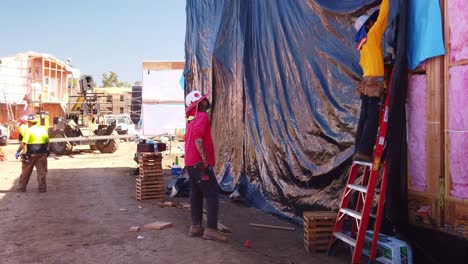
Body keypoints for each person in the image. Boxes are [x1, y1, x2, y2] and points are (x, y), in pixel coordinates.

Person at [184, 90, 226, 242]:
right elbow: (198, 140)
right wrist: (205, 160)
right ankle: (211, 230)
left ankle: (196, 227)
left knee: (196, 194)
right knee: (212, 194)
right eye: (203, 100)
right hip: (199, 163)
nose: (207, 101)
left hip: (190, 163)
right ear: (197, 104)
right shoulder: (202, 117)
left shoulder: (191, 120)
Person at [353, 0, 389, 162]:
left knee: (364, 117)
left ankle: (358, 150)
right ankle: (365, 152)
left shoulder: (362, 47)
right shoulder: (372, 35)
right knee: (372, 118)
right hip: (374, 83)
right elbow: (383, 17)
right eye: (370, 22)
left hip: (366, 83)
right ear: (367, 27)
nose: (373, 23)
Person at [15, 114, 49, 192]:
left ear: (29, 122)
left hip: (30, 154)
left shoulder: (29, 130)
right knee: (42, 172)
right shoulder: (43, 130)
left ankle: (21, 188)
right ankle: (42, 188)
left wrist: (18, 152)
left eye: (28, 122)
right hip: (42, 153)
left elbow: (23, 144)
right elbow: (47, 143)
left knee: (26, 171)